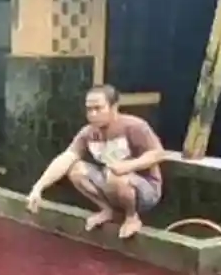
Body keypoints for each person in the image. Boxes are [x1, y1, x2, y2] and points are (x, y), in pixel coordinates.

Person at [26, 84, 167, 239]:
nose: (93, 114)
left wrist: (128, 166)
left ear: (113, 107)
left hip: (145, 190)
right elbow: (66, 157)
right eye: (89, 109)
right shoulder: (88, 133)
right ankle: (107, 210)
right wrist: (38, 187)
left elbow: (158, 154)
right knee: (75, 169)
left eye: (98, 108)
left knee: (115, 176)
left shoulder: (134, 126)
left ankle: (131, 217)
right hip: (111, 183)